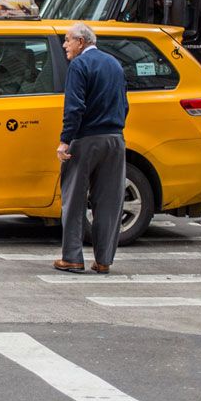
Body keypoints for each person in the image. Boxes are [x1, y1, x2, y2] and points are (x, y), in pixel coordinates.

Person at [55, 22, 129, 275]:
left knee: (74, 200)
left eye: (67, 40)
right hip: (115, 139)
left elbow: (74, 107)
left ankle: (72, 258)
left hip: (86, 139)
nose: (65, 45)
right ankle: (104, 260)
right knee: (109, 202)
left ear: (81, 42)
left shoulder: (79, 65)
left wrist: (65, 140)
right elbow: (124, 104)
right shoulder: (114, 63)